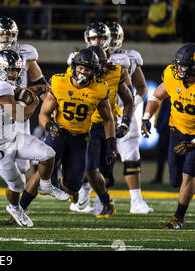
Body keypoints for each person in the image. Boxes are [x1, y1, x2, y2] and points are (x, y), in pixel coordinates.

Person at [0, 16, 66, 220]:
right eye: (1, 33)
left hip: (16, 107)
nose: (5, 37)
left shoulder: (25, 53)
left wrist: (38, 93)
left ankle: (16, 204)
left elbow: (40, 81)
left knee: (22, 165)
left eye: (9, 33)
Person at [33, 48, 117, 217]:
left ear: (95, 71)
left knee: (73, 186)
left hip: (83, 135)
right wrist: (49, 126)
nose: (83, 72)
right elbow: (43, 114)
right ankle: (20, 207)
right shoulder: (60, 82)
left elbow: (109, 118)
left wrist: (111, 145)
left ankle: (97, 197)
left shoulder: (101, 87)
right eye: (80, 68)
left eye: (87, 69)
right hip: (60, 133)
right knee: (41, 171)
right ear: (73, 67)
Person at [0, 49, 56, 227]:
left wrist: (32, 89)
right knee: (17, 186)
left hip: (12, 138)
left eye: (17, 70)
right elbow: (21, 116)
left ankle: (45, 185)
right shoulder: (1, 87)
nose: (15, 73)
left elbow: (16, 93)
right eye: (11, 70)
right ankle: (13, 208)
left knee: (47, 153)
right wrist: (35, 101)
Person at [142, 43, 195, 229]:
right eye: (178, 64)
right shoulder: (172, 75)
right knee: (175, 180)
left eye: (185, 65)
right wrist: (147, 117)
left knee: (189, 175)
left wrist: (193, 143)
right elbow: (156, 96)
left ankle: (178, 218)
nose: (179, 69)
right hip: (176, 132)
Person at [106, 21, 153, 213]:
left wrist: (132, 105)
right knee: (94, 157)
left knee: (132, 156)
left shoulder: (130, 57)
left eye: (115, 37)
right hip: (100, 113)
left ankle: (136, 200)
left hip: (124, 112)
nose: (111, 41)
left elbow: (141, 87)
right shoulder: (88, 57)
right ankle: (83, 198)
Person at [83, 45, 134, 218]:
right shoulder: (76, 74)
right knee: (89, 170)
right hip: (85, 126)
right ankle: (102, 200)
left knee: (106, 174)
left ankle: (104, 202)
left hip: (106, 126)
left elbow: (129, 100)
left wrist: (125, 123)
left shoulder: (115, 72)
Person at [149, 97, 171, 184]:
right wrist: (159, 126)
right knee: (161, 156)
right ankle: (159, 177)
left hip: (171, 130)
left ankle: (177, 179)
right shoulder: (165, 98)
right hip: (164, 130)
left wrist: (159, 126)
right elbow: (160, 114)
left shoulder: (170, 98)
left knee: (175, 157)